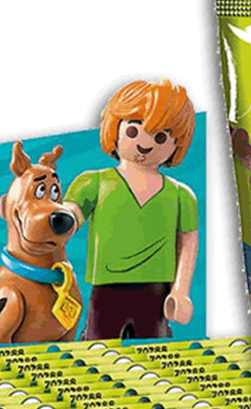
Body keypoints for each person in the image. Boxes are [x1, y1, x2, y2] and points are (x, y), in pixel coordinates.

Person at [65, 79, 197, 339]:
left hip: (157, 291)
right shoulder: (94, 182)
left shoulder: (181, 195)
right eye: (133, 131)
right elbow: (68, 217)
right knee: (99, 349)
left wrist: (181, 291)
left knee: (154, 352)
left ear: (177, 143)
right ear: (114, 129)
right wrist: (56, 220)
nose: (145, 144)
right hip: (106, 289)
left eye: (160, 137)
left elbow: (188, 244)